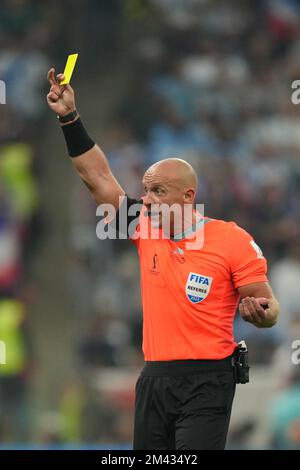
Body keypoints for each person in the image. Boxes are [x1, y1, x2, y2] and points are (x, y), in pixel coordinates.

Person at [46, 68, 280, 450]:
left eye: (158, 191)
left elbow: (269, 307)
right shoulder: (143, 227)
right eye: (145, 190)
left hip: (209, 379)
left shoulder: (231, 239)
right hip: (155, 378)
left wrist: (262, 313)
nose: (148, 199)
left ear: (188, 196)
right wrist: (69, 118)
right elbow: (98, 178)